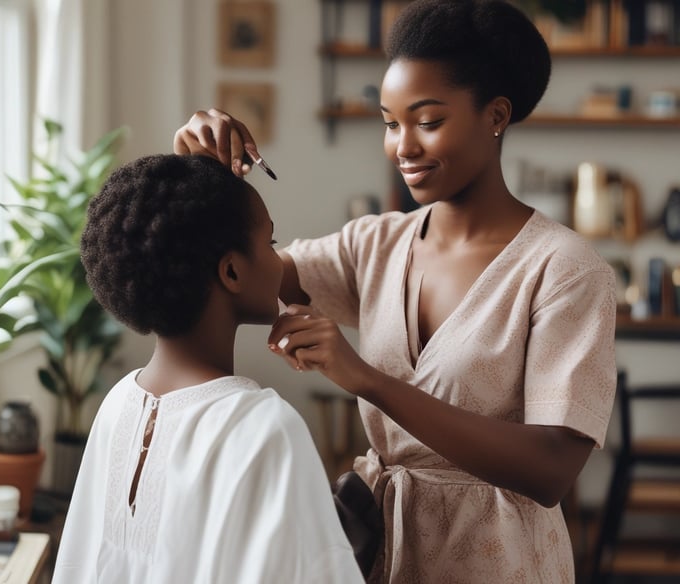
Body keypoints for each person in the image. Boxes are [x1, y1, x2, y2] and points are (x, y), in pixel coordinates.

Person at [173, 1, 617, 582]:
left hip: (502, 561)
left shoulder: (564, 270)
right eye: (390, 122)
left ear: (496, 115)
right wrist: (200, 174)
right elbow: (236, 273)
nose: (402, 146)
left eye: (427, 121)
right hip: (382, 552)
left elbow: (552, 470)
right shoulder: (376, 244)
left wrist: (369, 381)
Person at [51, 154, 364, 583]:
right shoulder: (264, 427)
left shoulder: (117, 402)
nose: (280, 262)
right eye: (272, 244)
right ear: (232, 271)